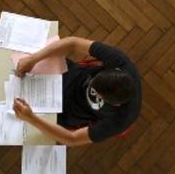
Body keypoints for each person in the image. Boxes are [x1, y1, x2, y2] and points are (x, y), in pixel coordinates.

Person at [13, 37, 141, 145]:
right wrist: (33, 59)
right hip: (64, 72)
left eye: (97, 93)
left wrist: (31, 118)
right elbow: (73, 43)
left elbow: (72, 139)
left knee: (18, 124)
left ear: (115, 104)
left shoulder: (121, 119)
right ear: (117, 70)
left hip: (65, 112)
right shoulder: (120, 62)